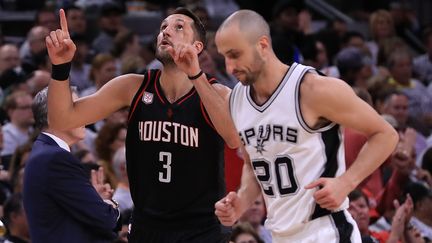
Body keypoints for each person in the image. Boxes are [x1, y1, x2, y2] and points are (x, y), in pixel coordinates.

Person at [45, 8, 239, 243]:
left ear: (198, 47)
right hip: (149, 226)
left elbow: (233, 138)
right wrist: (60, 67)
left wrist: (195, 75)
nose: (166, 31)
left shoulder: (218, 92)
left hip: (202, 229)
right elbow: (62, 120)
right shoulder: (133, 86)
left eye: (178, 27)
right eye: (163, 27)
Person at [213, 10, 399, 243]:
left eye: (235, 55)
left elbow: (386, 134)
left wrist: (346, 182)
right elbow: (253, 165)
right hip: (280, 235)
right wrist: (241, 201)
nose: (229, 67)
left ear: (262, 45)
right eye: (224, 58)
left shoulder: (312, 89)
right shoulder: (238, 99)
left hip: (326, 232)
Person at [23, 87, 120, 243]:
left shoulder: (45, 152)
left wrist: (94, 200)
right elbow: (107, 221)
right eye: (75, 107)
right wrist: (110, 205)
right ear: (52, 116)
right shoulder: (55, 158)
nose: (84, 114)